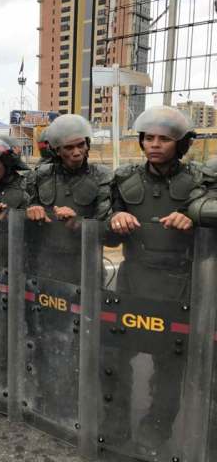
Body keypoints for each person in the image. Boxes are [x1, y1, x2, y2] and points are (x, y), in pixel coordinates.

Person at [107, 106, 217, 455]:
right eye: (148, 138)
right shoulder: (123, 178)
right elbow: (104, 222)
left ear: (181, 144)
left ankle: (155, 429)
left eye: (164, 139)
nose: (154, 145)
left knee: (170, 365)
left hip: (180, 284)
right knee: (114, 356)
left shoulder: (200, 179)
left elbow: (209, 209)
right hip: (132, 280)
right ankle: (114, 425)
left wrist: (190, 215)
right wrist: (115, 216)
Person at [25, 113, 112, 282]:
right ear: (57, 150)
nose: (77, 152)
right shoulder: (40, 176)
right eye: (69, 148)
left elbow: (106, 229)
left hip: (85, 266)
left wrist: (77, 223)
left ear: (88, 145)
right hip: (46, 266)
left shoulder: (102, 177)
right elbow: (24, 219)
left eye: (81, 145)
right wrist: (31, 211)